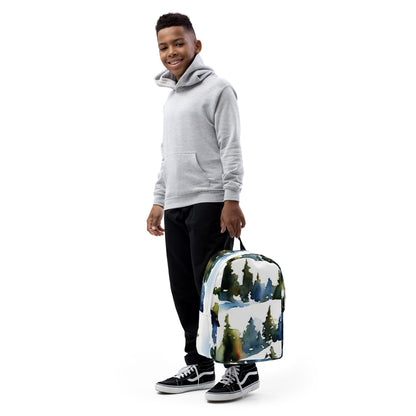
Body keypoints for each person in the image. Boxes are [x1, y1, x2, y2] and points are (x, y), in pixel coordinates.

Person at [146, 13, 259, 402]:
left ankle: (242, 367)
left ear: (196, 45)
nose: (171, 52)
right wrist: (159, 201)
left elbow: (231, 146)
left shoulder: (218, 89)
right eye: (164, 46)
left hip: (210, 201)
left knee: (215, 287)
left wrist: (232, 198)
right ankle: (199, 363)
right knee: (184, 288)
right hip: (176, 205)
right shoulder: (171, 100)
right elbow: (167, 156)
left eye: (178, 43)